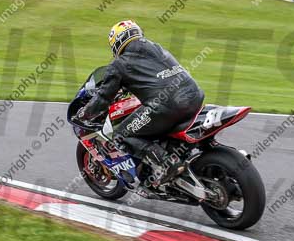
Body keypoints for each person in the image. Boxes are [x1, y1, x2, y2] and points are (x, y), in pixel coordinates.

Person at [77, 20, 205, 186]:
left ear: (116, 43)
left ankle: (168, 163)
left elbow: (103, 99)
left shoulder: (120, 64)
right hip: (195, 96)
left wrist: (85, 113)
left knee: (120, 135)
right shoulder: (157, 48)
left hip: (167, 106)